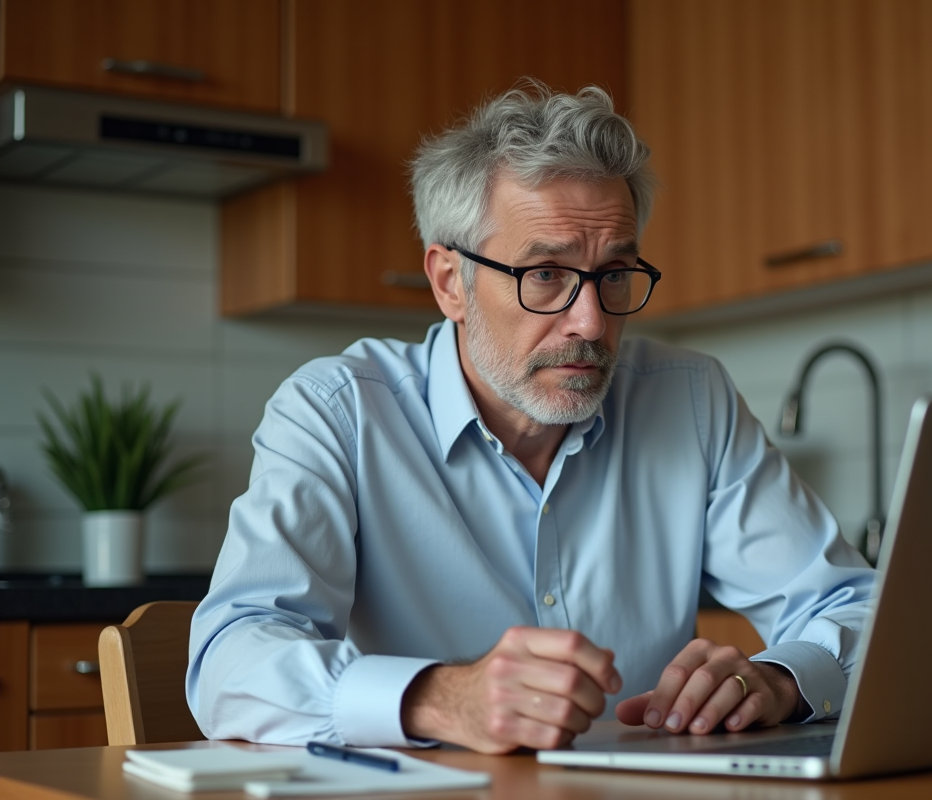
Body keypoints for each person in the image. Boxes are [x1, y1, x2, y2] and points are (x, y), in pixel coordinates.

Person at [186, 82, 875, 755]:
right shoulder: (337, 413)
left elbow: (859, 608)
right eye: (545, 274)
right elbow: (230, 660)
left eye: (613, 274)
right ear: (451, 281)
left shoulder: (690, 399)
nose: (592, 321)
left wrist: (778, 680)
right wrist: (442, 698)